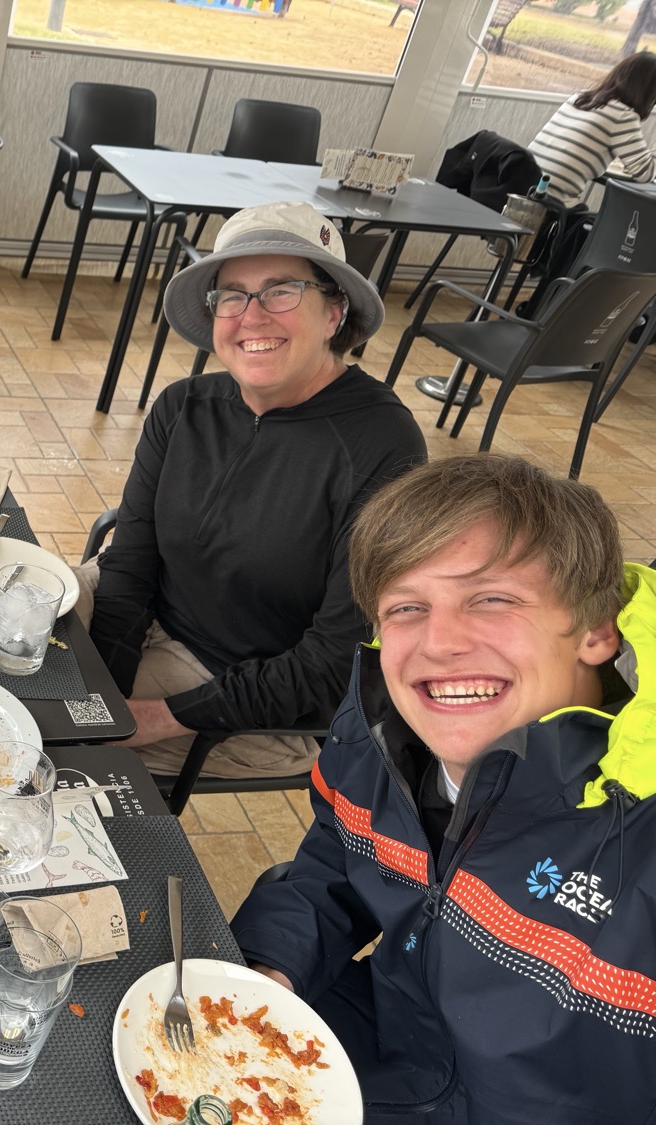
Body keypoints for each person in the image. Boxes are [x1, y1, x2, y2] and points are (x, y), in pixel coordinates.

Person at [231, 454, 656, 1123]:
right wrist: (273, 966)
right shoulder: (377, 728)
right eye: (407, 607)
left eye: (491, 599)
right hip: (384, 1061)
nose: (440, 643)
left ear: (597, 628)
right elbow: (339, 860)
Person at [78, 201, 426, 780]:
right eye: (233, 295)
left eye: (281, 291)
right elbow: (132, 561)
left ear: (334, 313)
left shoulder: (381, 446)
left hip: (251, 695)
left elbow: (332, 661)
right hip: (148, 615)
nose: (252, 316)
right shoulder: (185, 406)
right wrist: (106, 692)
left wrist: (151, 718)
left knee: (40, 750)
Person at [528, 51, 656, 205]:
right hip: (550, 202)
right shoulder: (622, 115)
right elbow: (645, 173)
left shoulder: (580, 98)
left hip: (522, 186)